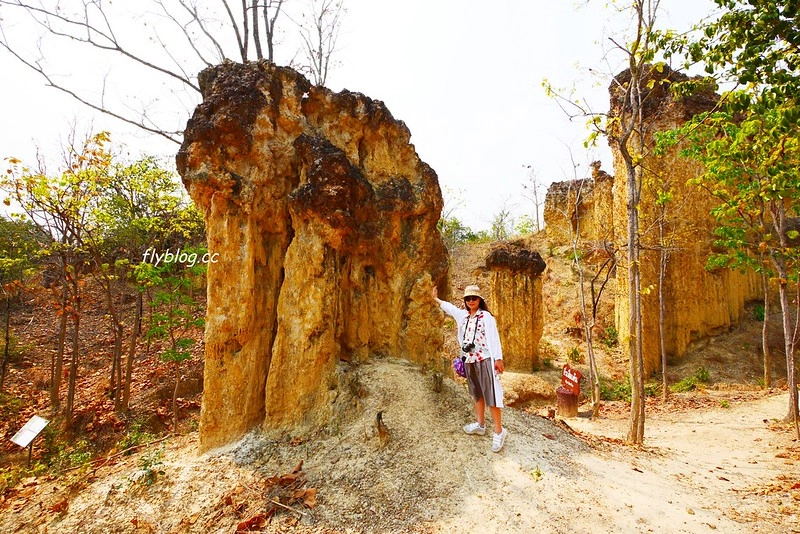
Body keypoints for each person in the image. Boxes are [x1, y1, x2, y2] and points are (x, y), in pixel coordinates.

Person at [432, 284, 507, 453]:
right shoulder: (463, 316)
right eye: (468, 299)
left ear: (480, 300)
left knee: (491, 395)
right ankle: (480, 424)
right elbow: (449, 308)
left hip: (485, 359)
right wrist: (435, 298)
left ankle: (499, 431)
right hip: (469, 360)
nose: (471, 301)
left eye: (474, 298)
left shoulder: (486, 317)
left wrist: (499, 358)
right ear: (465, 301)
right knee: (476, 393)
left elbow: (494, 338)